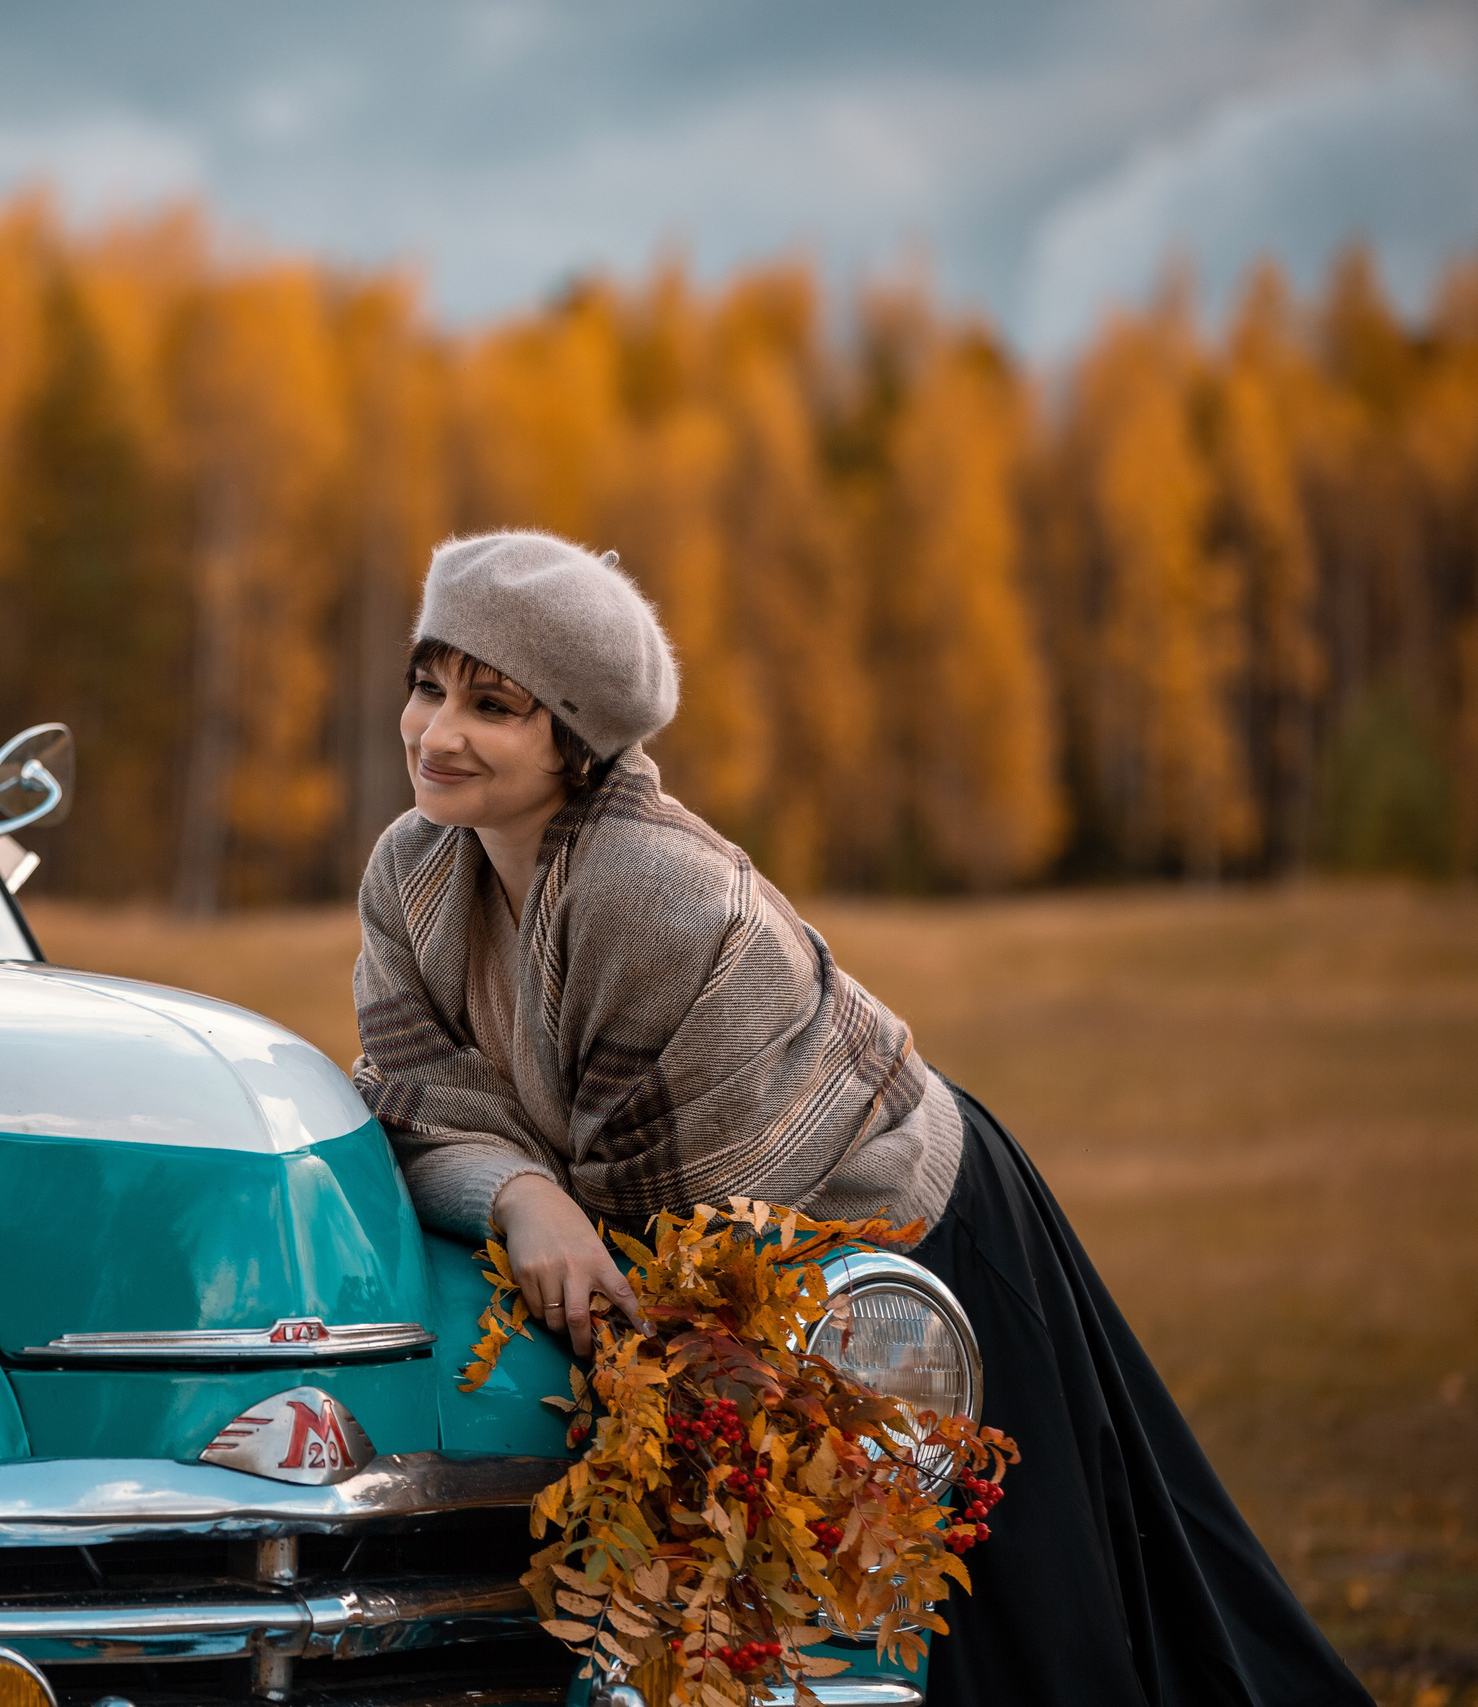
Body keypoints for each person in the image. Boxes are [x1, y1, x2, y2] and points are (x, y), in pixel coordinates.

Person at [351, 529, 1370, 1707]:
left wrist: (551, 1203)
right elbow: (417, 1091)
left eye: (493, 705)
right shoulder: (412, 870)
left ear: (573, 740)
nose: (437, 731)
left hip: (895, 1232)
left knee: (1005, 1609)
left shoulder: (651, 890)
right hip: (722, 1265)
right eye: (428, 685)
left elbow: (669, 1209)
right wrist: (521, 1194)